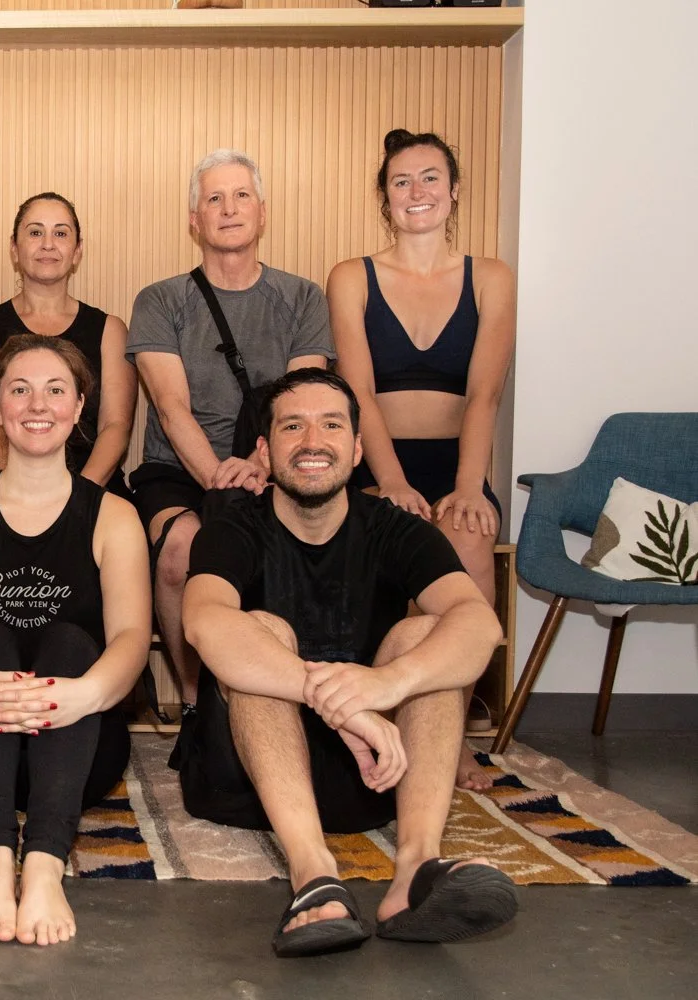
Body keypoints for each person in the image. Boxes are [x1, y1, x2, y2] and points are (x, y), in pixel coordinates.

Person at [181, 367, 516, 958]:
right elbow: (204, 622)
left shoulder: (393, 527)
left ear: (358, 448)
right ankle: (313, 876)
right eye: (293, 426)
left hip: (377, 773)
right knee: (259, 633)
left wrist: (388, 682)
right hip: (253, 778)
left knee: (426, 635)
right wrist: (333, 700)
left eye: (331, 424)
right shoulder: (233, 526)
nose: (313, 441)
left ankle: (415, 868)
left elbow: (479, 624)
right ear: (263, 450)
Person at [0, 335, 151, 946]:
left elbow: (130, 636)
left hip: (76, 745)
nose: (36, 404)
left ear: (78, 407)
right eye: (19, 389)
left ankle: (44, 865)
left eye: (55, 390)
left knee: (72, 643)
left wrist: (82, 696)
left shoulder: (114, 517)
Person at [326, 130, 516, 791]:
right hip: (376, 464)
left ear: (454, 190)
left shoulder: (490, 277)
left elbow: (485, 394)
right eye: (402, 182)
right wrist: (392, 481)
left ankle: (450, 738)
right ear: (384, 197)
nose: (417, 193)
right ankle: (386, 725)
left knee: (467, 559)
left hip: (456, 461)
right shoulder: (353, 277)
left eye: (430, 178)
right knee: (393, 562)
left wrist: (467, 488)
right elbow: (358, 395)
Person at [127, 149, 333, 712]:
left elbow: (304, 406)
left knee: (299, 546)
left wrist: (262, 467)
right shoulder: (161, 300)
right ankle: (196, 704)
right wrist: (224, 476)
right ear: (195, 220)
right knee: (179, 549)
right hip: (179, 469)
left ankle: (287, 696)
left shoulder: (302, 297)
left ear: (262, 213)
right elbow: (171, 409)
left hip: (280, 466)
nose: (229, 208)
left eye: (241, 195)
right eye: (213, 198)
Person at [0, 192, 135, 496]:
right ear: (14, 248)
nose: (48, 244)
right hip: (0, 482)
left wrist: (78, 497)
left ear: (77, 251)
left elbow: (115, 427)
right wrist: (23, 494)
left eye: (61, 233)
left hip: (90, 483)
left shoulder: (111, 330)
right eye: (35, 232)